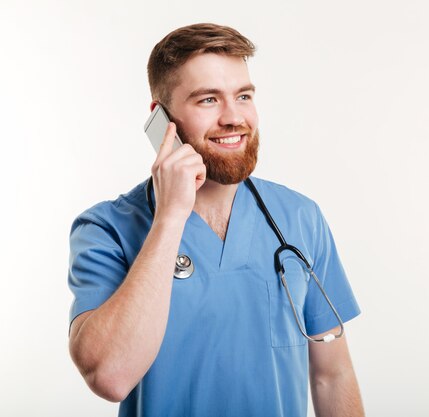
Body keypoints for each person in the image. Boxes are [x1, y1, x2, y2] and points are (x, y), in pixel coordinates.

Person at [67, 23, 364, 417]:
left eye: (243, 96)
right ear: (161, 121)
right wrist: (171, 216)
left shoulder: (299, 218)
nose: (233, 117)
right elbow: (110, 376)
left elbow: (333, 375)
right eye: (208, 100)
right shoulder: (107, 229)